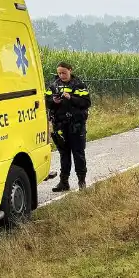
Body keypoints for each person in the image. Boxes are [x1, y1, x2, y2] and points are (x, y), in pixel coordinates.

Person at [46, 61, 91, 191]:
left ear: (70, 70)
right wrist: (53, 101)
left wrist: (70, 98)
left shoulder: (79, 85)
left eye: (64, 73)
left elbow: (86, 102)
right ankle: (63, 182)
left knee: (78, 153)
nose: (61, 75)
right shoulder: (54, 85)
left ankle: (81, 181)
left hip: (76, 125)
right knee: (63, 154)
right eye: (59, 73)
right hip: (60, 125)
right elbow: (46, 101)